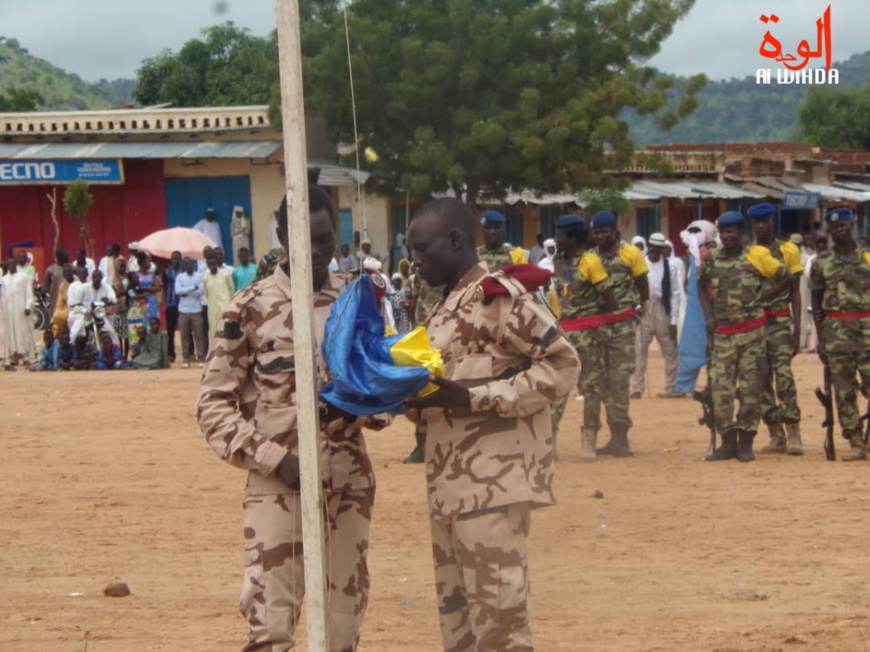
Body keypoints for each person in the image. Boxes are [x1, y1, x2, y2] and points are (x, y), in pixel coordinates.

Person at [197, 186, 381, 652]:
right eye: (306, 240)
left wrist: (370, 409)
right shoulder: (249, 307)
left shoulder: (358, 300)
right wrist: (276, 459)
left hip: (347, 485)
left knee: (342, 624)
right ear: (281, 235)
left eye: (326, 240)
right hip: (277, 488)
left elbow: (383, 390)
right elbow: (213, 406)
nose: (318, 252)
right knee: (271, 626)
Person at [403, 198, 580, 652]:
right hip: (448, 486)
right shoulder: (444, 306)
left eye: (423, 249)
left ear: (457, 240)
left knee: (500, 628)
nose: (416, 261)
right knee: (459, 629)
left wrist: (475, 397)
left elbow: (562, 366)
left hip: (492, 488)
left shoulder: (501, 298)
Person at [698, 211, 789, 462]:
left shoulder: (757, 255)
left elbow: (787, 279)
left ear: (741, 233)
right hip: (724, 335)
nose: (727, 237)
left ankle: (746, 442)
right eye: (723, 233)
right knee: (721, 391)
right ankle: (728, 442)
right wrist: (708, 315)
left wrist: (764, 299)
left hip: (753, 334)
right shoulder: (713, 259)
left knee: (751, 391)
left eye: (731, 232)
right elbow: (700, 284)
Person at [549, 214, 618, 459]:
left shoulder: (590, 261)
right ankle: (550, 442)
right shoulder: (557, 261)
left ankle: (589, 441)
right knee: (557, 388)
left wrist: (589, 315)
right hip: (563, 335)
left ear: (572, 238)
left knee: (591, 388)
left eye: (560, 235)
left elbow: (610, 300)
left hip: (589, 334)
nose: (556, 239)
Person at [809, 207, 870, 461]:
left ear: (852, 224)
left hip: (867, 331)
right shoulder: (822, 263)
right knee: (844, 391)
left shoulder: (866, 257)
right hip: (836, 335)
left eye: (843, 225)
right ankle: (855, 440)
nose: (838, 230)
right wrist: (821, 340)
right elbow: (816, 301)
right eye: (834, 227)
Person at [749, 203, 806, 455]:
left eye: (766, 221)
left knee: (784, 376)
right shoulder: (747, 252)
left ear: (774, 221)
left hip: (781, 321)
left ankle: (793, 430)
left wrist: (797, 328)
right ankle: (775, 432)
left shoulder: (788, 250)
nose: (762, 226)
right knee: (760, 379)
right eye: (757, 222)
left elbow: (795, 291)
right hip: (755, 324)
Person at [591, 211, 649, 457]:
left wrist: (638, 311)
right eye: (596, 232)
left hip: (623, 329)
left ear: (616, 231)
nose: (601, 236)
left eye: (605, 231)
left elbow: (643, 289)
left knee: (619, 382)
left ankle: (621, 438)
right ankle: (612, 437)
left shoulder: (631, 255)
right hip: (597, 328)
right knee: (602, 384)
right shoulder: (590, 257)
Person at [631, 232, 681, 399]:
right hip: (644, 308)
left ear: (661, 250)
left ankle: (671, 387)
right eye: (652, 248)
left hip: (661, 308)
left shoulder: (670, 267)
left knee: (670, 350)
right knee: (639, 349)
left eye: (658, 249)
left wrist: (673, 321)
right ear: (648, 247)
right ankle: (637, 388)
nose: (654, 252)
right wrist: (637, 306)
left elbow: (675, 293)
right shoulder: (639, 264)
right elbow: (632, 289)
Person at [402, 269, 444, 464]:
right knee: (420, 389)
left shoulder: (451, 273)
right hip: (422, 337)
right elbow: (408, 306)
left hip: (445, 335)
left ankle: (440, 444)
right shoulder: (416, 278)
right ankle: (421, 446)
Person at [674, 220, 718, 395]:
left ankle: (711, 386)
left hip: (707, 307)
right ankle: (685, 386)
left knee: (711, 348)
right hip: (695, 308)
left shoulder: (708, 255)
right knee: (690, 346)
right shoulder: (694, 254)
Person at [2, 256, 35, 367]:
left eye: (12, 264)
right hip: (8, 311)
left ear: (15, 264)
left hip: (21, 310)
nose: (10, 266)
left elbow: (29, 293)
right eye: (9, 264)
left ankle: (26, 357)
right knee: (10, 333)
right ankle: (14, 357)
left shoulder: (23, 277)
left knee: (23, 333)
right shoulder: (4, 279)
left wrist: (28, 306)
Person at [175, 257, 206, 368]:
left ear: (193, 264)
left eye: (191, 264)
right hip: (183, 310)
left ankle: (201, 358)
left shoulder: (199, 276)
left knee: (199, 336)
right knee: (184, 336)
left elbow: (201, 292)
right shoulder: (180, 277)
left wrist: (186, 291)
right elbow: (178, 291)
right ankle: (185, 359)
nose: (189, 266)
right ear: (184, 265)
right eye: (187, 264)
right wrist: (193, 287)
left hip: (196, 310)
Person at [803, 234, 829, 352]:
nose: (822, 245)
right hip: (813, 293)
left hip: (830, 300)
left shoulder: (831, 258)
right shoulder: (812, 260)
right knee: (814, 319)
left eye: (824, 242)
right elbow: (807, 274)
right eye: (819, 243)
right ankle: (813, 345)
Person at [203, 255, 235, 338]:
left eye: (213, 264)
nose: (212, 266)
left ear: (217, 264)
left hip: (225, 306)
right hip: (213, 309)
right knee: (214, 331)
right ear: (207, 266)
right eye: (210, 265)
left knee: (227, 329)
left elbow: (231, 289)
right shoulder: (206, 279)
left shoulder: (225, 275)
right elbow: (207, 294)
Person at [161, 251, 182, 363]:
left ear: (180, 259)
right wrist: (165, 303)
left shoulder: (184, 272)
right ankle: (171, 353)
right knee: (170, 331)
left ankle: (189, 353)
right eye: (173, 258)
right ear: (171, 259)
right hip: (170, 303)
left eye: (177, 258)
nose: (175, 260)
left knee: (186, 330)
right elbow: (164, 287)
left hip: (182, 304)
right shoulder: (166, 272)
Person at [50, 264, 76, 338]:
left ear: (72, 272)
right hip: (67, 308)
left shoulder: (78, 282)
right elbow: (59, 303)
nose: (67, 273)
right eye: (65, 272)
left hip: (78, 308)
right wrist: (53, 318)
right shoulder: (63, 285)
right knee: (56, 316)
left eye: (68, 271)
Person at [44, 248, 70, 319]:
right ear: (60, 257)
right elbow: (46, 287)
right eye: (66, 256)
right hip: (55, 302)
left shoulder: (71, 269)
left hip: (69, 302)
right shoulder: (50, 270)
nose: (68, 257)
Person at [136, 253, 161, 322]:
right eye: (148, 262)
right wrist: (150, 290)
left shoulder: (152, 273)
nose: (150, 264)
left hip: (152, 300)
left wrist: (143, 288)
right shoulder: (136, 275)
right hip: (141, 300)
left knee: (153, 320)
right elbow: (135, 288)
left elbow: (158, 288)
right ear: (142, 263)